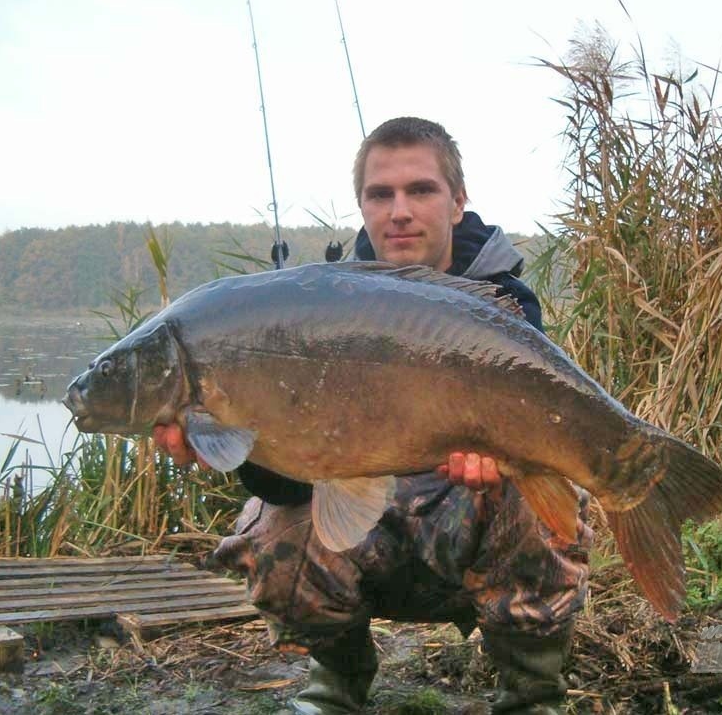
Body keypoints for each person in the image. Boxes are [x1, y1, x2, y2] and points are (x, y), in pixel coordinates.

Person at [154, 117, 593, 714]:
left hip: (466, 530)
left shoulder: (503, 304)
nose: (399, 211)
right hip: (368, 533)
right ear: (361, 205)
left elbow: (542, 434)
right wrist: (225, 439)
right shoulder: (319, 311)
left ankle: (531, 693)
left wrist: (512, 463)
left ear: (458, 201)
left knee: (536, 500)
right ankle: (336, 684)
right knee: (272, 526)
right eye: (380, 194)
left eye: (421, 190)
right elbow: (277, 485)